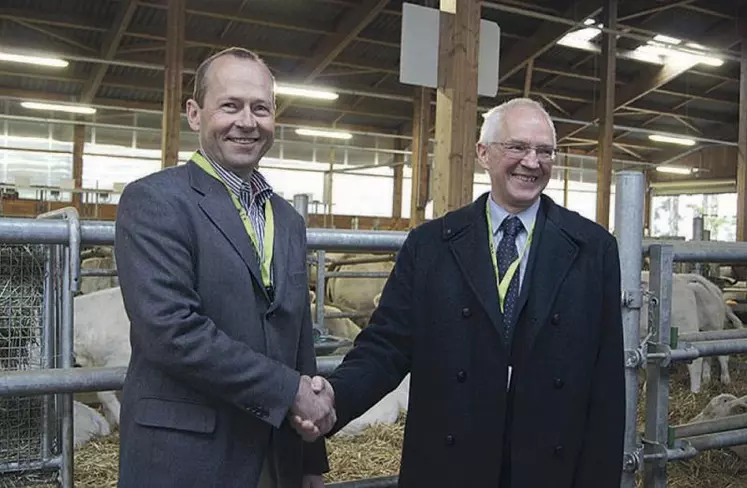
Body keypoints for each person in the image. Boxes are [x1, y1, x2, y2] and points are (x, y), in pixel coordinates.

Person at [293, 97, 625, 487]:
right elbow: (386, 346)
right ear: (484, 153)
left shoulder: (592, 248)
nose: (532, 162)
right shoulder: (432, 244)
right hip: (449, 465)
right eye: (517, 147)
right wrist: (334, 398)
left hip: (549, 465)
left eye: (544, 151)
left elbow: (606, 385)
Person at [114, 47, 334, 488]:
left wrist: (310, 457)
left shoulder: (287, 219)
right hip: (187, 458)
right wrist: (289, 392)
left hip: (275, 457)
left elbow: (298, 339)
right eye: (229, 106)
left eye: (261, 108)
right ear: (195, 114)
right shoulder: (155, 201)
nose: (247, 122)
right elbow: (171, 331)